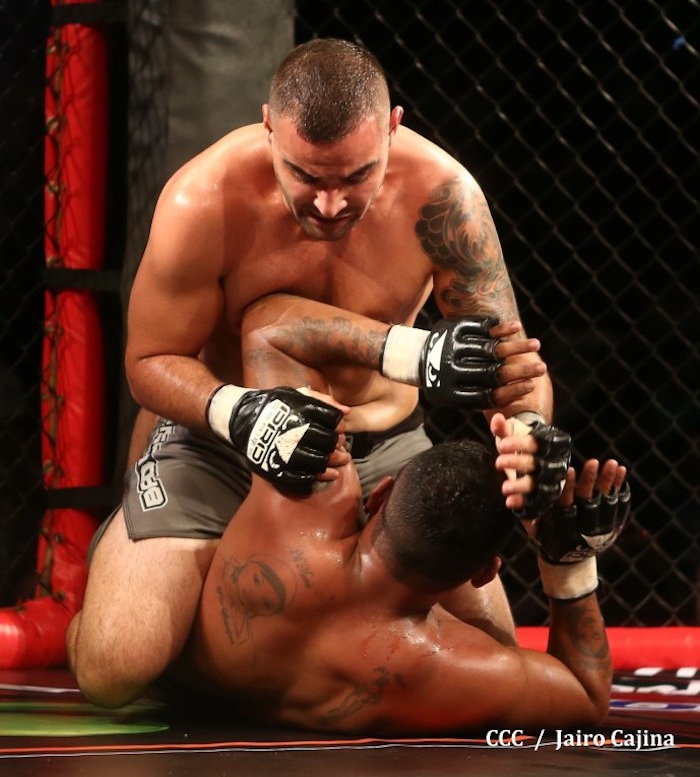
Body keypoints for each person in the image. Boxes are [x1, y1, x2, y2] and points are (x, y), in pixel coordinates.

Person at [67, 38, 557, 708]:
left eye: (356, 176)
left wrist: (528, 434)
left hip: (382, 453)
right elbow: (148, 363)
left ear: (393, 129)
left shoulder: (444, 199)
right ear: (269, 127)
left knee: (493, 657)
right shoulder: (204, 199)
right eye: (306, 176)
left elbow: (511, 367)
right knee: (116, 668)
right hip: (221, 445)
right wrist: (239, 413)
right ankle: (129, 562)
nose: (329, 203)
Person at [162, 308, 628, 733]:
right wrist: (568, 561)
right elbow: (587, 697)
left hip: (193, 690)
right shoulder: (459, 665)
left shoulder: (303, 502)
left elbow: (271, 329)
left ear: (379, 493)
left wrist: (421, 354)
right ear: (484, 574)